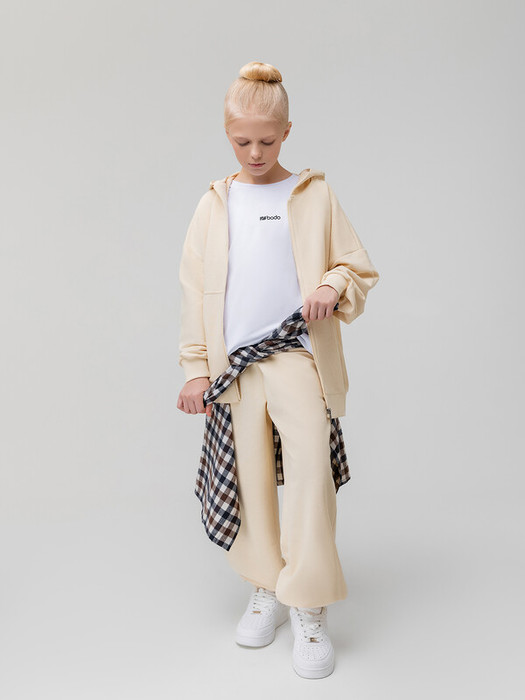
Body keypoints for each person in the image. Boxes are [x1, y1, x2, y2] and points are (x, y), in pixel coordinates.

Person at [177, 60, 380, 680]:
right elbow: (193, 290)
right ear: (227, 134)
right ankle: (265, 586)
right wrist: (195, 369)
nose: (256, 153)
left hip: (296, 355)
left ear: (287, 132)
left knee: (312, 477)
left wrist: (330, 285)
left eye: (267, 140)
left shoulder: (314, 195)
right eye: (242, 141)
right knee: (252, 479)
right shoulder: (215, 204)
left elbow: (356, 266)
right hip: (236, 369)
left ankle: (308, 604)